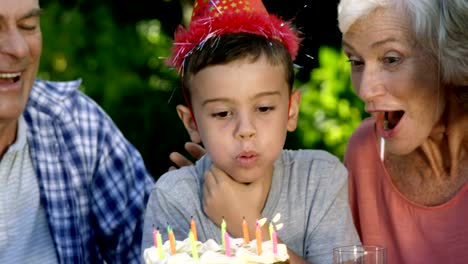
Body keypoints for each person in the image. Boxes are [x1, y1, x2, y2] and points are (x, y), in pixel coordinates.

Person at [142, 0, 360, 263]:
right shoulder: (175, 198)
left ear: (291, 111)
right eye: (222, 113)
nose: (245, 131)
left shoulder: (318, 180)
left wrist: (249, 228)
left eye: (265, 108)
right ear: (192, 123)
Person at [0, 0, 153, 263]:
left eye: (28, 26)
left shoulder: (76, 123)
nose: (19, 48)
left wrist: (194, 198)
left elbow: (153, 243)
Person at [338, 0, 468, 263]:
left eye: (391, 59)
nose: (365, 91)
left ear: (449, 57)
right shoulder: (363, 152)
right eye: (356, 61)